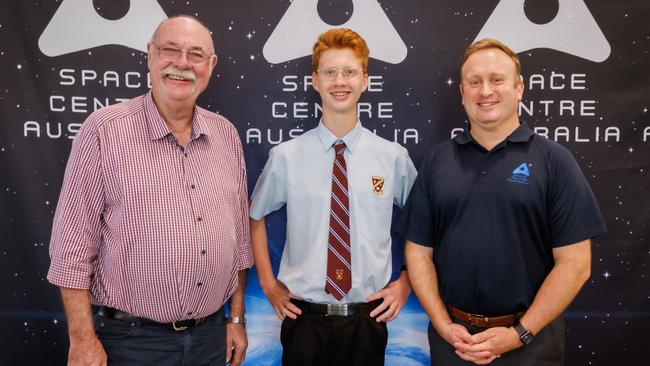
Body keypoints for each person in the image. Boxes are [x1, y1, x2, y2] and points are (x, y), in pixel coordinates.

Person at [48, 15, 252, 366]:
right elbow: (71, 248)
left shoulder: (226, 135)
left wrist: (235, 319)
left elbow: (239, 244)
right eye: (170, 50)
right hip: (131, 343)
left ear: (211, 65)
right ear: (150, 55)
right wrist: (81, 339)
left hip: (211, 338)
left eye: (196, 54)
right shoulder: (104, 131)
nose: (182, 64)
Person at [398, 39, 606, 365]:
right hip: (454, 343)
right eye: (474, 82)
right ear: (462, 92)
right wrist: (443, 325)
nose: (486, 91)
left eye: (497, 80)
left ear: (519, 88)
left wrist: (518, 333)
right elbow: (418, 252)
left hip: (531, 343)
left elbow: (576, 264)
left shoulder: (555, 161)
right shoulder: (437, 162)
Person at [249, 28, 417, 366]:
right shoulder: (286, 156)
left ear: (365, 80)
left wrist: (406, 283)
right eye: (330, 72)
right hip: (303, 320)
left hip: (367, 320)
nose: (340, 81)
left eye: (350, 71)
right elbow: (255, 216)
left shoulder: (393, 157)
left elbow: (424, 226)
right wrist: (268, 284)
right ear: (315, 80)